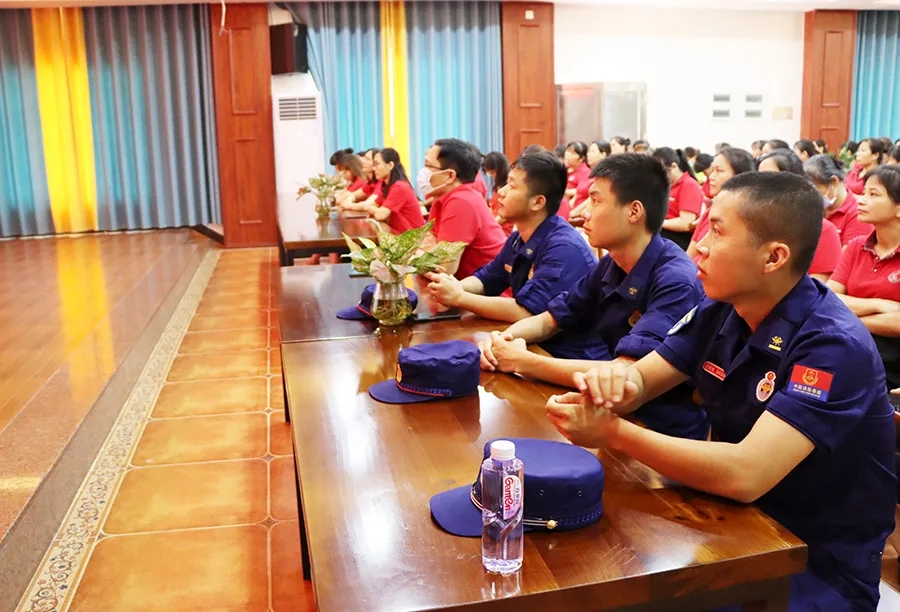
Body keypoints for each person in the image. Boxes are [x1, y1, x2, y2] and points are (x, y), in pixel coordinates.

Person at [546, 171, 895, 611]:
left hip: (814, 563)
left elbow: (746, 474)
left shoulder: (832, 345)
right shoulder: (721, 308)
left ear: (773, 257)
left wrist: (613, 432)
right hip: (732, 524)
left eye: (717, 231)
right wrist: (612, 384)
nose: (699, 246)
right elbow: (643, 380)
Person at [478, 154, 709, 441]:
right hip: (609, 412)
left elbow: (625, 374)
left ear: (634, 212)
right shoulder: (612, 263)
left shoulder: (676, 280)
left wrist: (523, 362)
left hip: (659, 431)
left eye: (596, 201)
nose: (585, 212)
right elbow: (552, 318)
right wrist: (504, 341)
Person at [426, 151, 599, 358]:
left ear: (537, 202)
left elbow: (526, 311)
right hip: (528, 344)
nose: (501, 192)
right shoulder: (519, 237)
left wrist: (460, 297)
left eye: (512, 186)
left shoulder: (563, 247)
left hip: (566, 355)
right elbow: (487, 278)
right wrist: (452, 287)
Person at [827, 166, 900, 393]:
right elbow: (829, 299)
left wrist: (847, 319)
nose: (861, 200)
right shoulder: (857, 246)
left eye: (873, 194)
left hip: (892, 361)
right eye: (863, 192)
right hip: (848, 346)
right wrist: (879, 305)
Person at [423, 138, 507, 279]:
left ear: (450, 175)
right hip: (462, 286)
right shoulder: (443, 199)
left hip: (489, 289)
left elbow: (444, 268)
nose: (423, 172)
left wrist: (423, 253)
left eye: (428, 166)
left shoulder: (461, 202)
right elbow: (426, 242)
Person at [757, 149, 843, 282]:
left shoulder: (821, 229)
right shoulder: (753, 223)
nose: (760, 185)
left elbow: (818, 285)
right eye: (758, 177)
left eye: (770, 177)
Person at [686, 147, 756, 261]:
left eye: (719, 171)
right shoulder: (710, 212)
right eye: (712, 170)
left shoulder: (746, 217)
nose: (711, 176)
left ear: (739, 175)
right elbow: (689, 255)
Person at [341, 148, 425, 234]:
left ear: (390, 165)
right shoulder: (386, 185)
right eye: (374, 164)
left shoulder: (399, 186)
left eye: (377, 164)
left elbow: (380, 215)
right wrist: (371, 208)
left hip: (412, 237)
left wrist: (368, 208)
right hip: (398, 234)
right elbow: (374, 205)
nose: (374, 168)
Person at [804, 154, 873, 246]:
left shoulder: (858, 213)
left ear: (833, 181)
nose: (811, 195)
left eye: (815, 189)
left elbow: (847, 253)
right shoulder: (813, 208)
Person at [653, 147, 702, 250]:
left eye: (663, 172)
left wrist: (657, 222)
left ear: (674, 166)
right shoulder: (669, 185)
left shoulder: (689, 185)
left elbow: (685, 223)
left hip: (678, 239)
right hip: (665, 233)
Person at [571, 140, 611, 218]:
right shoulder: (591, 173)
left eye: (592, 151)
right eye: (588, 152)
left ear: (603, 154)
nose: (588, 154)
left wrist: (573, 214)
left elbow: (591, 199)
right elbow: (578, 193)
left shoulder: (606, 176)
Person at [482, 152, 514, 236]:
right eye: (490, 173)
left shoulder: (509, 185)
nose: (492, 176)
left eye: (493, 173)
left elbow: (505, 214)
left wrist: (490, 225)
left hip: (504, 230)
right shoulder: (498, 185)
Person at [562, 141, 590, 220]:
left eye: (572, 153)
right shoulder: (564, 168)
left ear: (581, 158)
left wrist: (567, 192)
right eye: (567, 151)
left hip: (576, 212)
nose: (568, 154)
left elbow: (581, 191)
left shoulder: (585, 172)